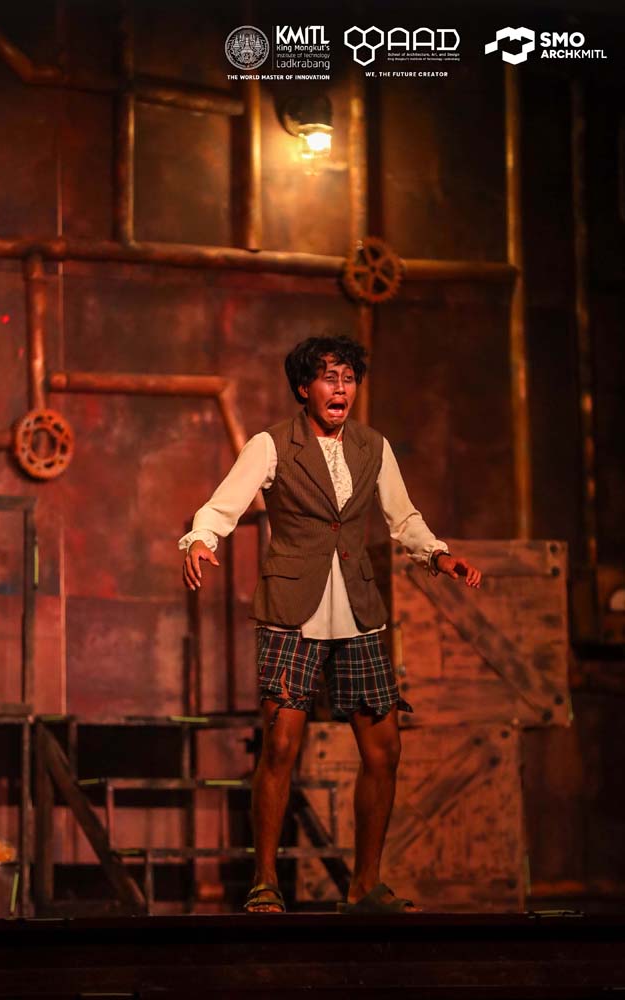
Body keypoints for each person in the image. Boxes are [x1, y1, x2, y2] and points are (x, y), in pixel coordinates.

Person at [179, 335, 481, 914]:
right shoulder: (272, 445)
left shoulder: (373, 446)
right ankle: (265, 882)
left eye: (348, 378)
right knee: (280, 746)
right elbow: (222, 504)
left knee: (384, 748)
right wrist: (200, 539)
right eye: (328, 378)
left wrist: (437, 554)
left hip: (357, 608)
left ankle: (365, 885)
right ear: (304, 388)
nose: (340, 388)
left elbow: (402, 517)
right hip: (293, 607)